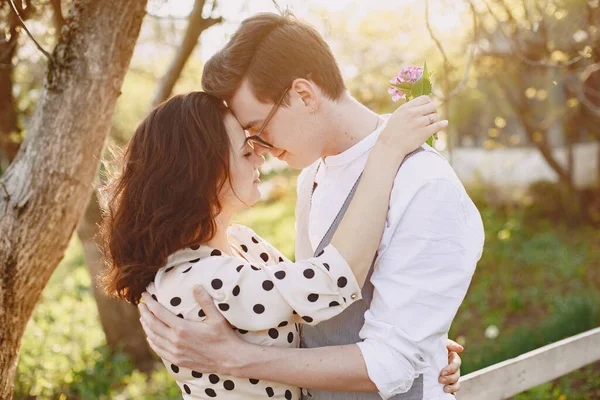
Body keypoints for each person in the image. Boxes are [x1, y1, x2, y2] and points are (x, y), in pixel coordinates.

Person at [139, 11, 485, 400]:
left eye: (258, 129)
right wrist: (426, 346)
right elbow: (309, 313)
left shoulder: (423, 184)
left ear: (303, 95)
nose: (259, 150)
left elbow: (395, 361)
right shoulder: (311, 178)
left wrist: (235, 359)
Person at [101, 91, 447, 399]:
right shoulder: (195, 283)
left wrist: (418, 344)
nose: (260, 157)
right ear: (202, 172)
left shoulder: (241, 241)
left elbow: (317, 318)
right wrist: (386, 150)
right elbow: (331, 282)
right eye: (244, 150)